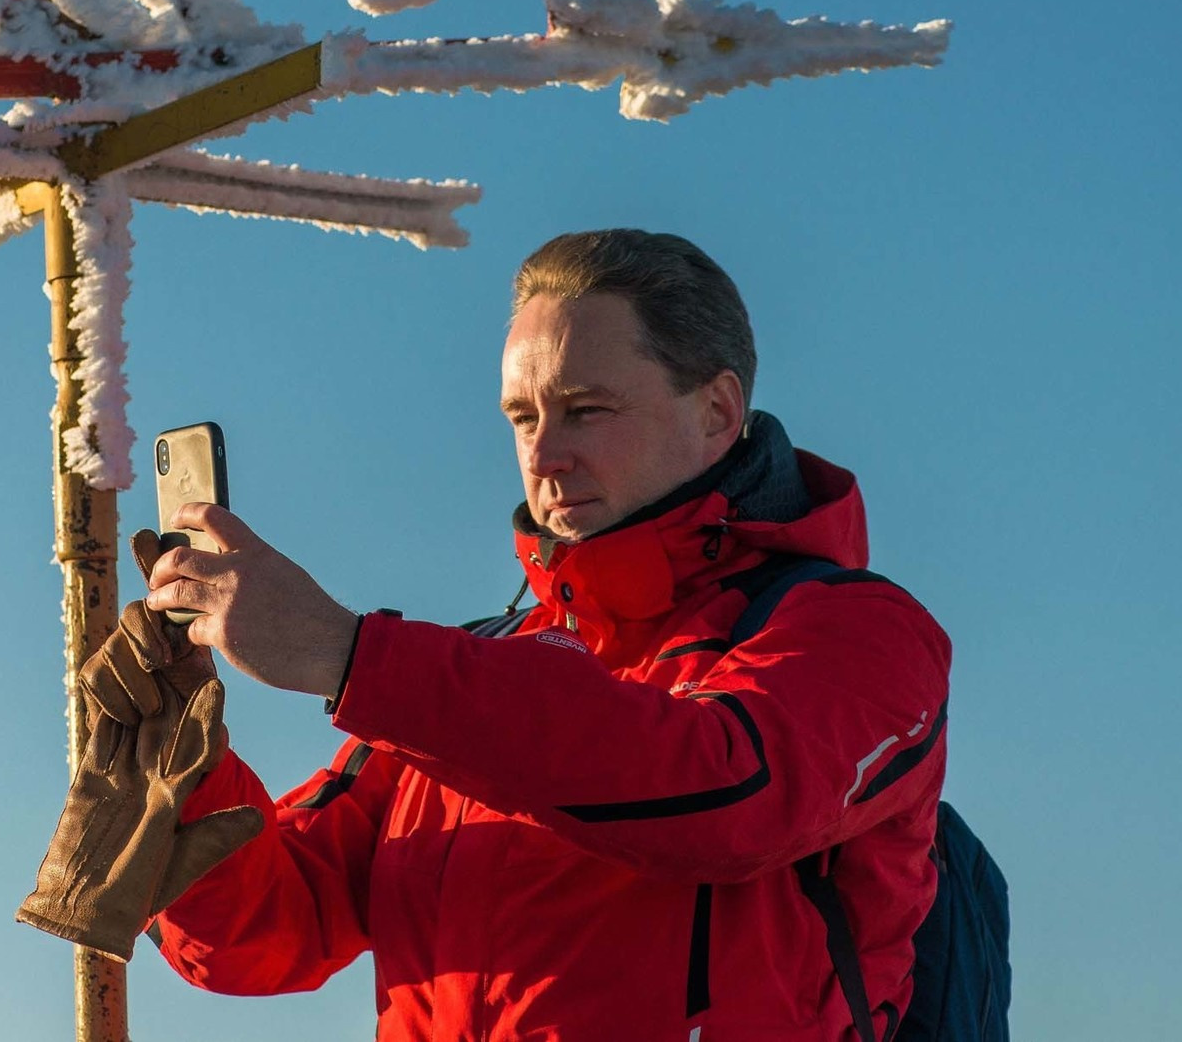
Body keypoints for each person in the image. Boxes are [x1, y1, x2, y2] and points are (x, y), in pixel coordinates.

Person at [138, 228, 953, 1042]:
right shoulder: (460, 681)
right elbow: (277, 924)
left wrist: (345, 654)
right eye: (522, 415)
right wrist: (177, 769)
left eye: (586, 410)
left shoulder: (860, 630)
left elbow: (728, 793)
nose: (543, 453)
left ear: (716, 412)